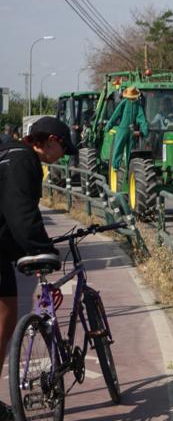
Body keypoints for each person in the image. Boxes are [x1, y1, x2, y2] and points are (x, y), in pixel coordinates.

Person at [0, 116, 72, 419]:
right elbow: (20, 212)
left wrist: (24, 252)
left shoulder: (7, 153)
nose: (64, 156)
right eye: (64, 148)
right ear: (51, 140)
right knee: (5, 314)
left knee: (7, 306)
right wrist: (43, 250)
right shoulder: (24, 161)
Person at [105, 86, 149, 169]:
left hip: (131, 130)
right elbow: (115, 115)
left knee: (130, 149)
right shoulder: (124, 103)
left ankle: (128, 166)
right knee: (118, 147)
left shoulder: (138, 105)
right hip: (122, 129)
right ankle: (115, 165)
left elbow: (141, 118)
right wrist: (109, 125)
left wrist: (145, 130)